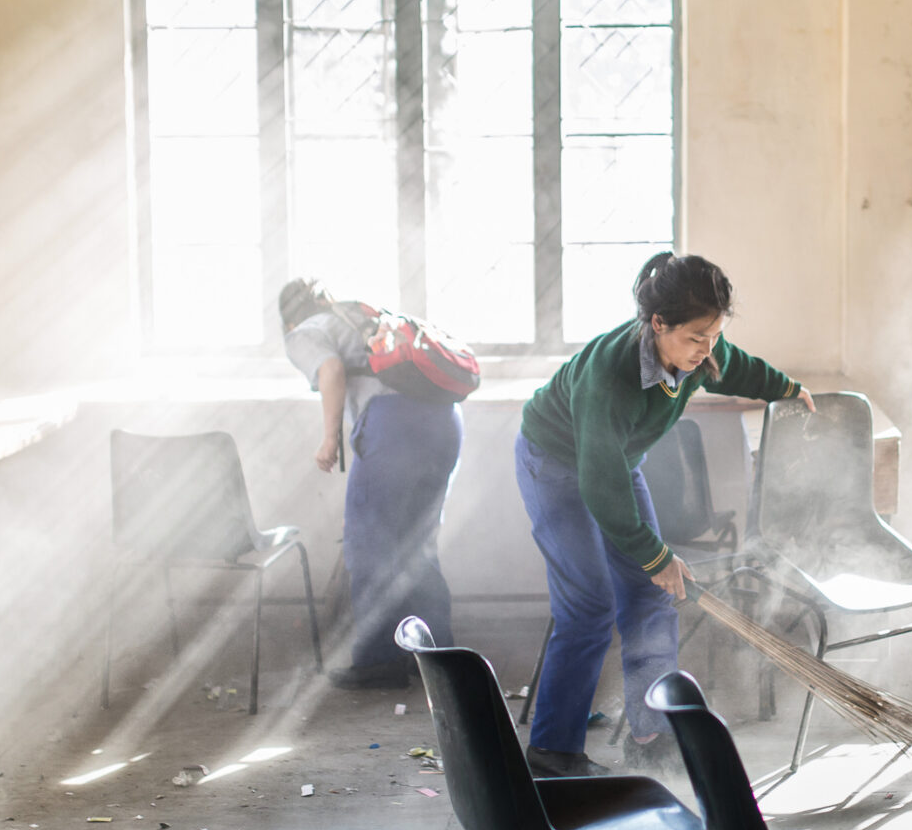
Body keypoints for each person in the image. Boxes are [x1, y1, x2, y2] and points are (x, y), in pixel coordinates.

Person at [515, 253, 810, 777]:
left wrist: (787, 388)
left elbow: (734, 365)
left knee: (653, 596)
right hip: (555, 465)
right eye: (697, 338)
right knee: (589, 604)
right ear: (658, 325)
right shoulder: (611, 376)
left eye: (714, 335)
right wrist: (656, 554)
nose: (707, 349)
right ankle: (552, 752)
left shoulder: (700, 355)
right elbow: (599, 486)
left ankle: (651, 731)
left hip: (614, 462)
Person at [281, 278, 463, 690]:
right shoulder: (367, 318)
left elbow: (330, 370)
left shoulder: (304, 331)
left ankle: (381, 660)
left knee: (370, 547)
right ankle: (442, 662)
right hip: (445, 422)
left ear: (289, 318)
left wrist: (330, 439)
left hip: (394, 426)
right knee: (417, 547)